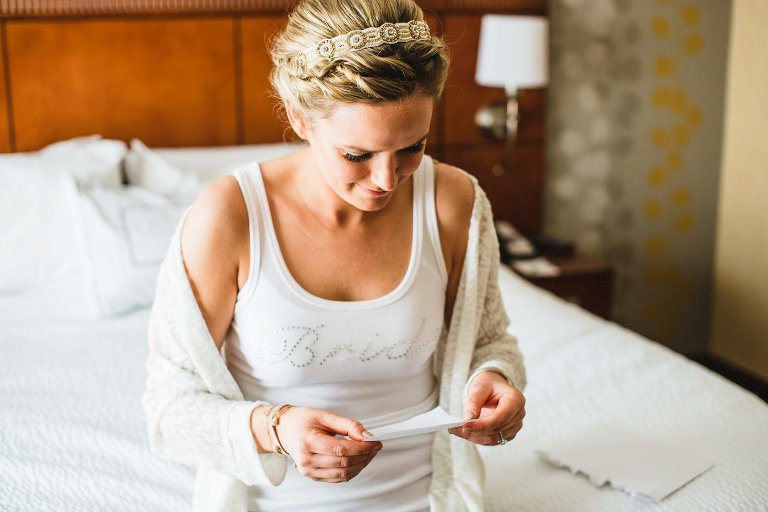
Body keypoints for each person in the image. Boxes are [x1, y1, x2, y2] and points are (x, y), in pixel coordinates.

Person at [143, 0, 526, 510]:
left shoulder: (454, 202)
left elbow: (489, 340)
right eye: (357, 155)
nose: (386, 180)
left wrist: (493, 378)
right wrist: (274, 428)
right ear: (300, 119)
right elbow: (167, 409)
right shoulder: (228, 217)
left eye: (413, 147)